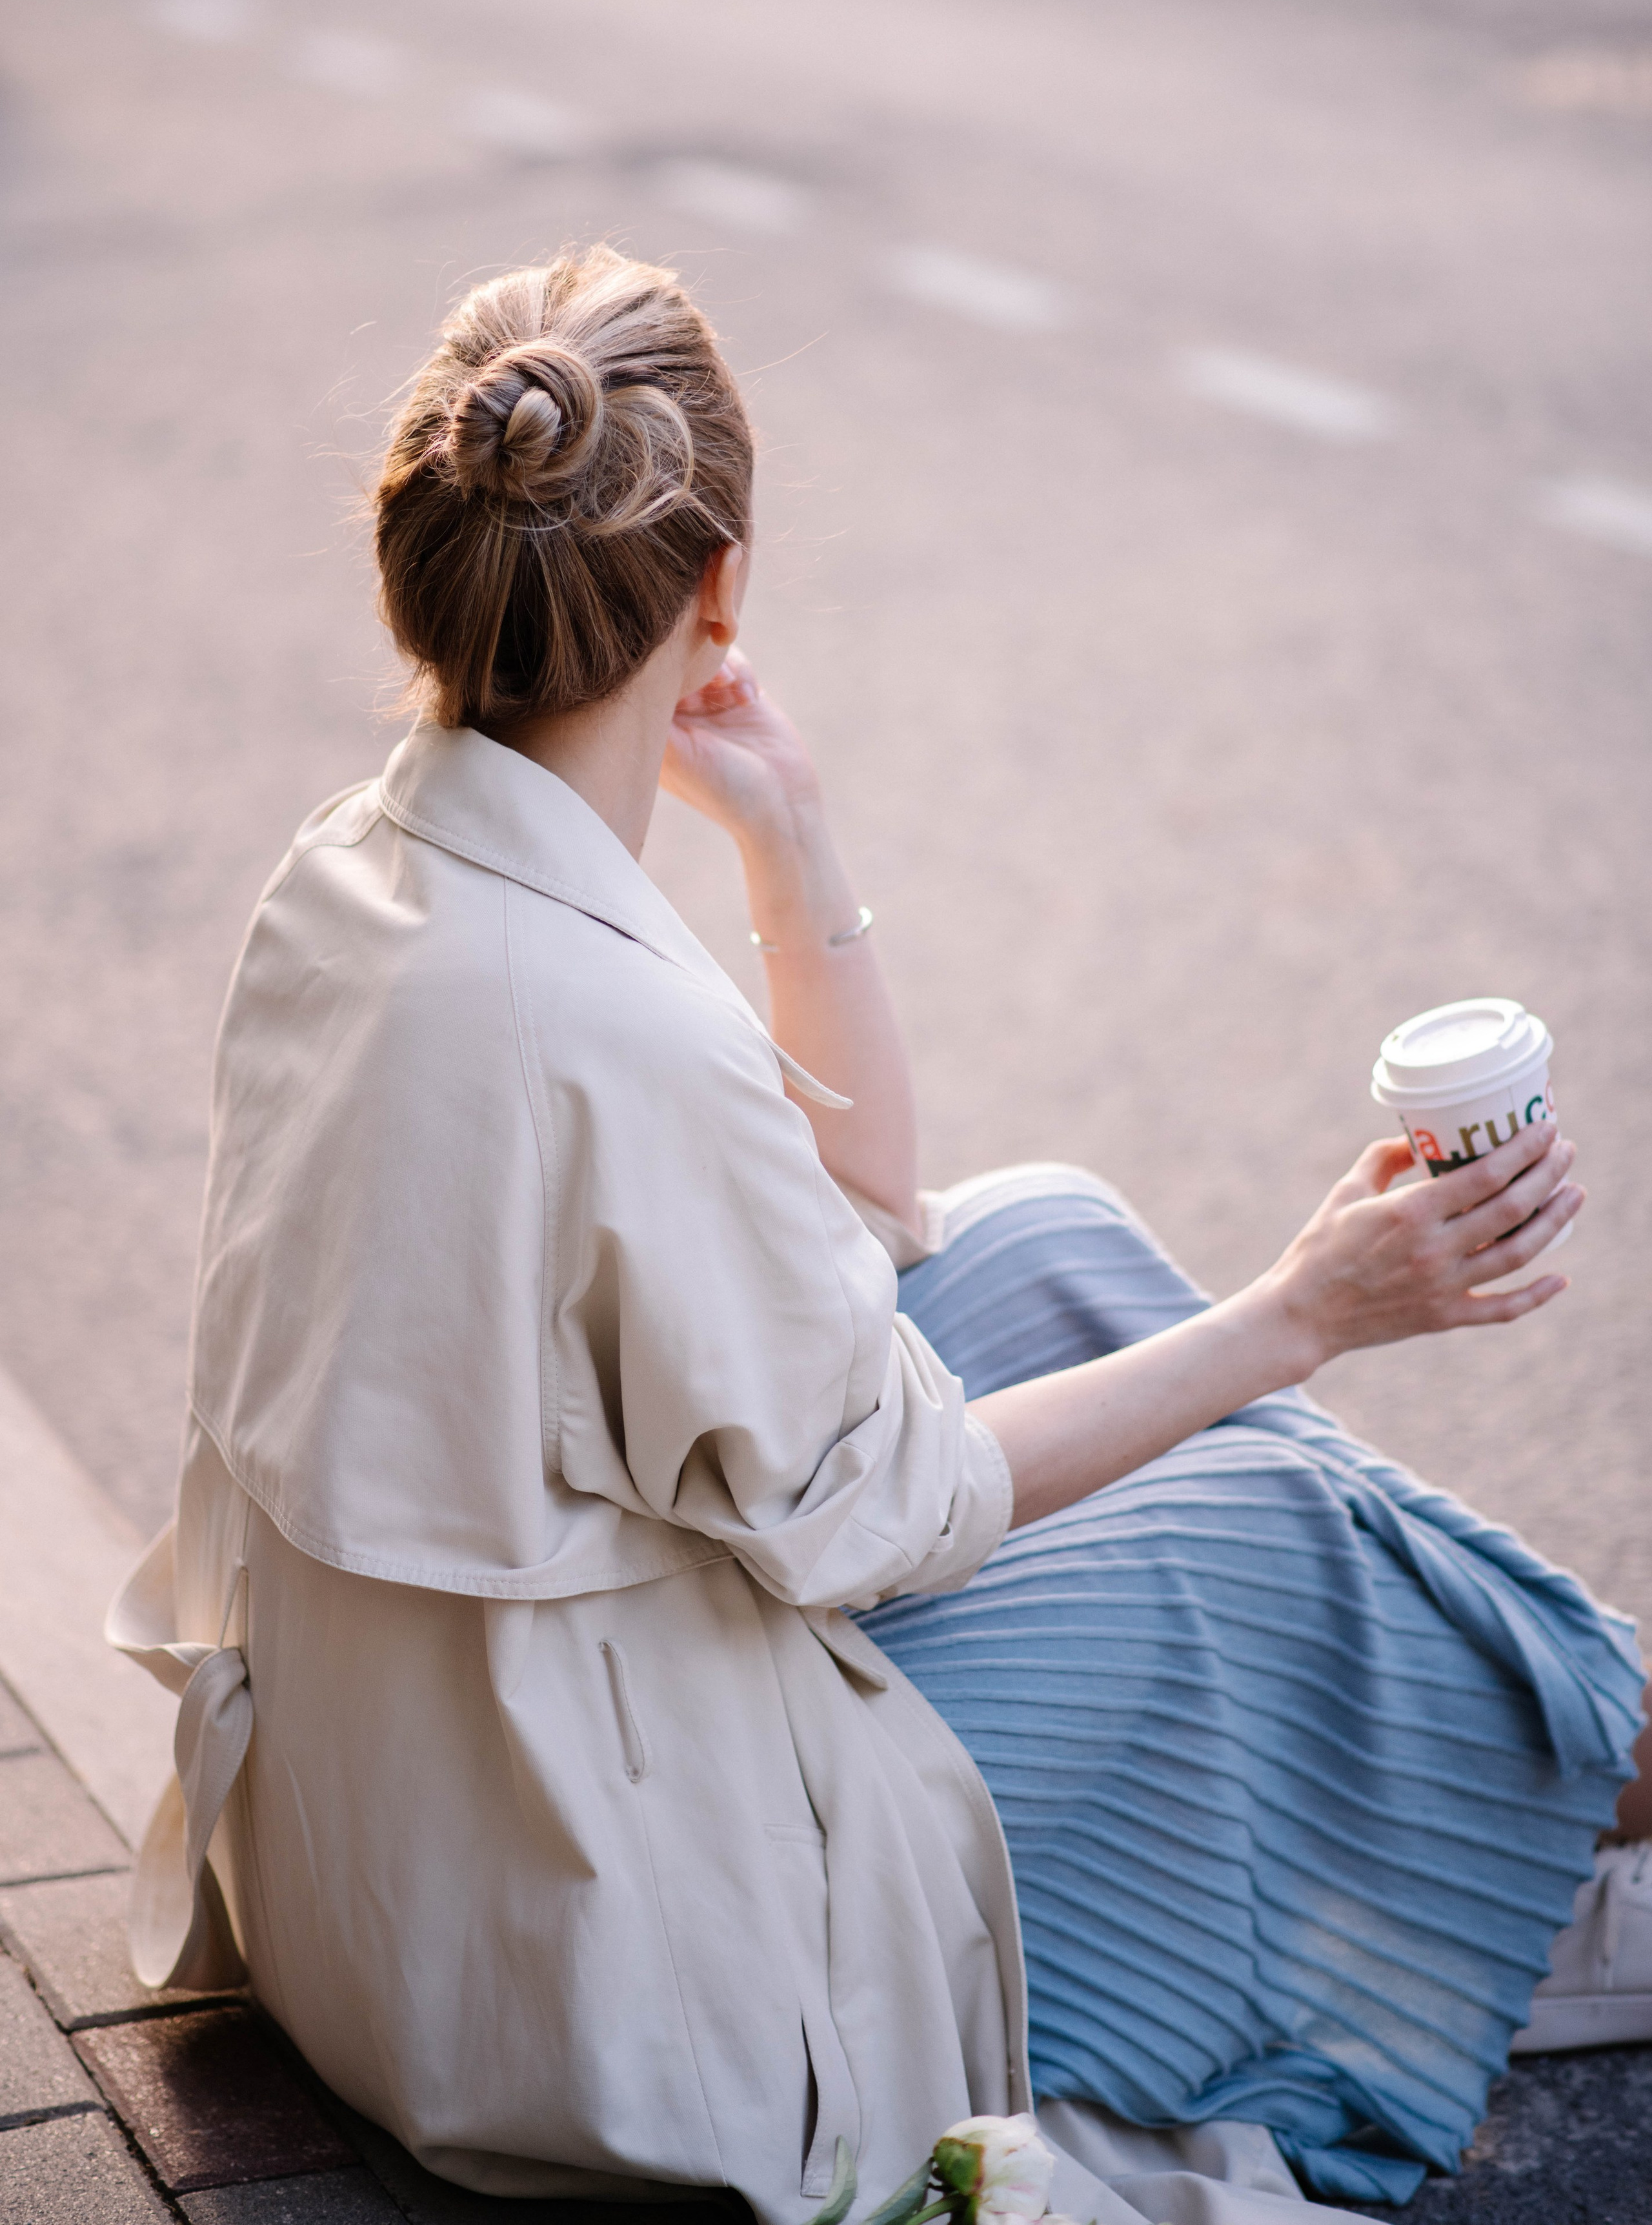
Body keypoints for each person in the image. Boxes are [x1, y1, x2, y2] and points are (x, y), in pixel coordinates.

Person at [110, 246, 1648, 2224]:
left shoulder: (355, 871)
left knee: (1049, 1237)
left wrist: (789, 833)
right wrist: (1303, 1315)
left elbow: (869, 1224)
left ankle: (1558, 1754)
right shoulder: (615, 1037)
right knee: (1255, 1517)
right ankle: (1590, 1762)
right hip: (594, 1930)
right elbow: (888, 1501)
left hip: (398, 1829)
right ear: (719, 581)